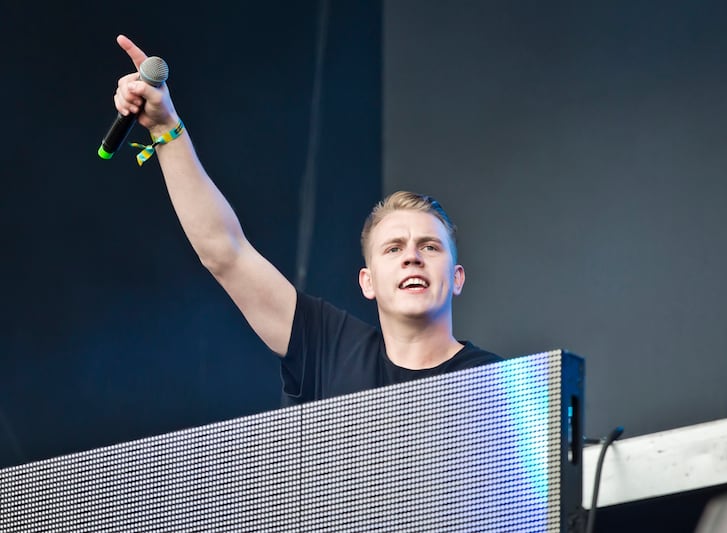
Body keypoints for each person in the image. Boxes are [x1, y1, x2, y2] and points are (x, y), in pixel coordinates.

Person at [112, 35, 504, 406]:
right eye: (393, 248)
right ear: (367, 281)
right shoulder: (326, 347)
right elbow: (224, 252)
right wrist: (166, 127)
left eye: (430, 247)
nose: (412, 257)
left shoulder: (497, 383)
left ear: (457, 277)